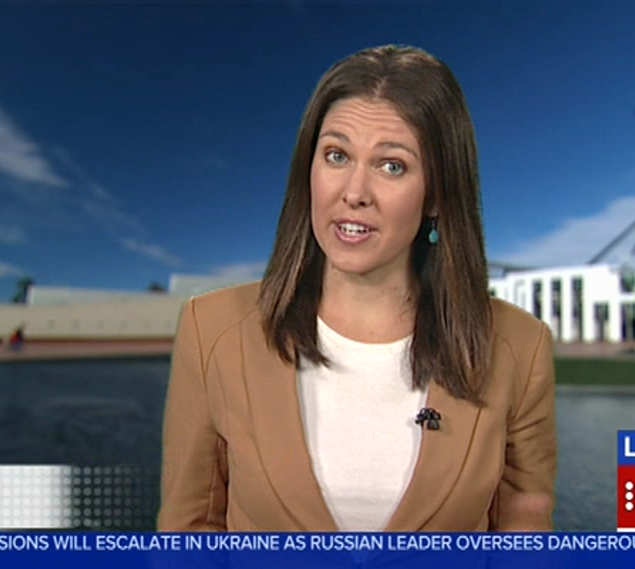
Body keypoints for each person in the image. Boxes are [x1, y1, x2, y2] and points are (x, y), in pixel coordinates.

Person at [159, 45, 556, 532]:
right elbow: (189, 535)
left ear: (437, 195)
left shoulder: (519, 348)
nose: (353, 193)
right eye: (337, 156)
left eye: (391, 166)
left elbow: (524, 543)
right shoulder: (212, 331)